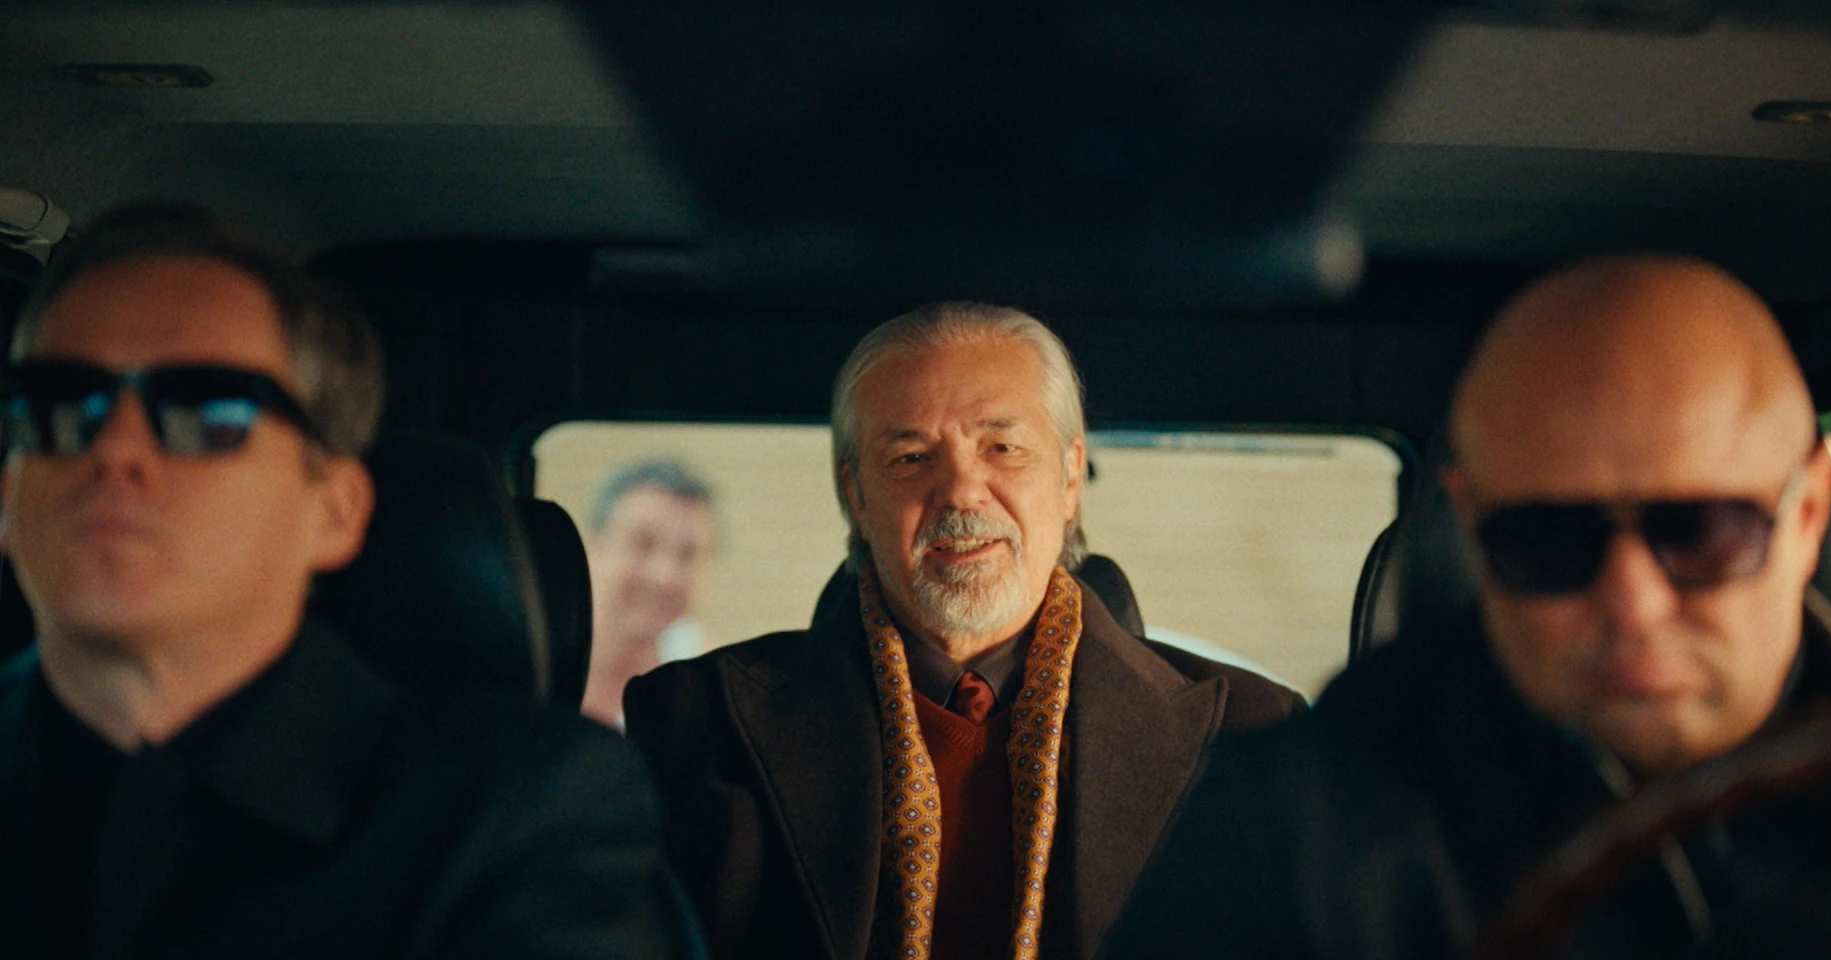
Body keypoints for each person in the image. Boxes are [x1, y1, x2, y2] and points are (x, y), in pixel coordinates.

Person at [1103, 254, 1831, 959]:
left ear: (1808, 514)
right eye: (1548, 541)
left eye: (1698, 531)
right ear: (1471, 529)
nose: (1632, 602)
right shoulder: (1300, 824)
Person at [0, 203, 699, 958]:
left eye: (206, 412)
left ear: (334, 511)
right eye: (60, 409)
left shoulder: (520, 808)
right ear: (7, 497)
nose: (113, 452)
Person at [625, 302, 1305, 960]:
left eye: (1003, 448)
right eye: (912, 458)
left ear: (1070, 477)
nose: (961, 491)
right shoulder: (695, 720)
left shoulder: (1252, 732)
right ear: (856, 495)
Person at [583, 459, 717, 730]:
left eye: (688, 554)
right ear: (593, 547)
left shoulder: (712, 684)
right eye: (643, 544)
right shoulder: (535, 663)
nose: (665, 577)